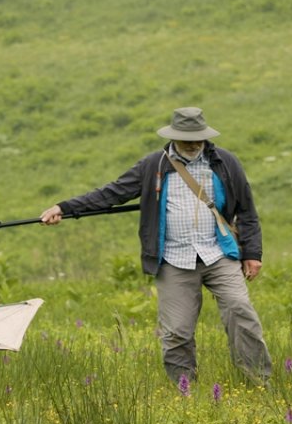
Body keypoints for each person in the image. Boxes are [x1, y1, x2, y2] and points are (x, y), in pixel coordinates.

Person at [40, 106, 272, 385]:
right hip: (174, 258)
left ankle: (259, 383)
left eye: (197, 139)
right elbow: (112, 193)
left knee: (241, 313)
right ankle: (185, 391)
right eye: (186, 140)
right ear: (174, 137)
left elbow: (246, 210)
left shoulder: (225, 163)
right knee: (177, 332)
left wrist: (252, 253)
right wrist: (64, 207)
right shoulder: (153, 166)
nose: (192, 145)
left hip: (218, 253)